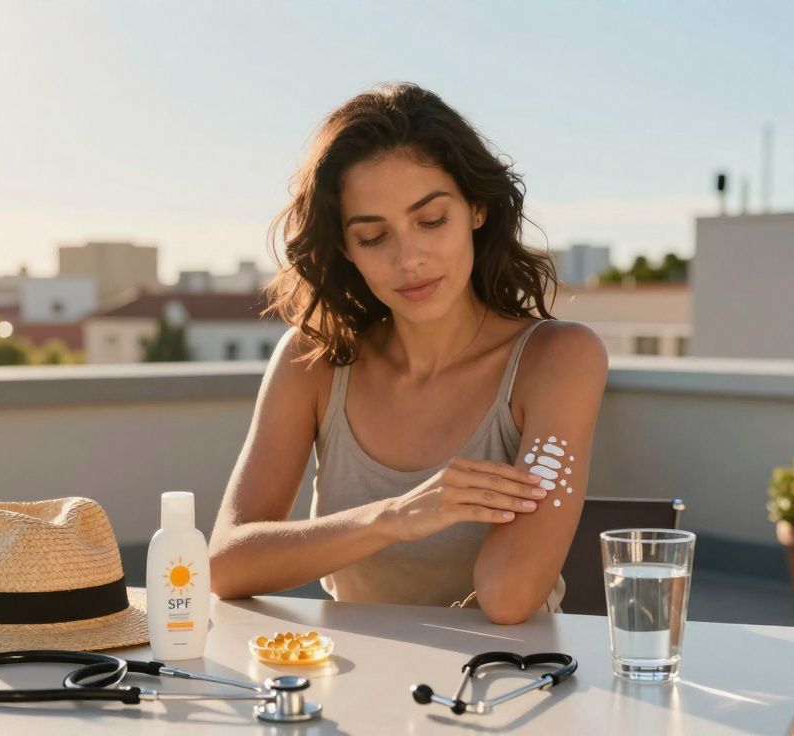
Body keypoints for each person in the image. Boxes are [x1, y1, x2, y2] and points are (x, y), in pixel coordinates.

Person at [208, 82, 608, 624]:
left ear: (477, 208)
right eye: (373, 236)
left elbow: (510, 596)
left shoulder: (559, 360)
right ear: (347, 249)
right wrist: (395, 517)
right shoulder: (316, 360)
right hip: (349, 685)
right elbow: (227, 565)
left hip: (503, 682)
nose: (409, 258)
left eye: (431, 220)